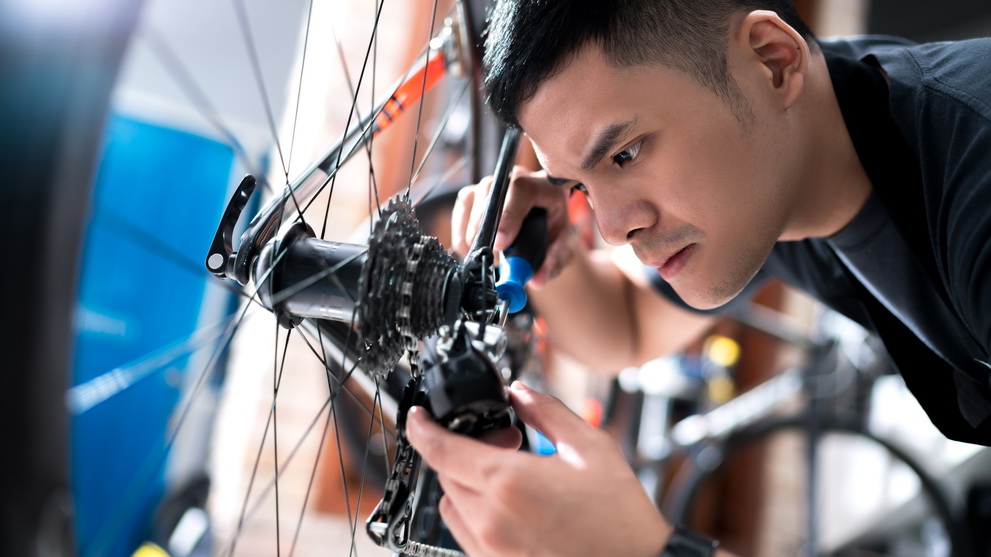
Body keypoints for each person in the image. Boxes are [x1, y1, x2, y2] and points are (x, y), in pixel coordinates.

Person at [405, 0, 991, 555]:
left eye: (626, 154)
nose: (611, 231)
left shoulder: (975, 179)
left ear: (772, 60)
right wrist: (541, 252)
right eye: (580, 186)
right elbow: (627, 326)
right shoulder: (790, 161)